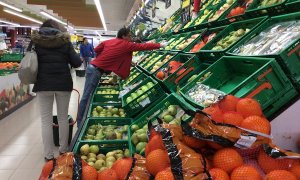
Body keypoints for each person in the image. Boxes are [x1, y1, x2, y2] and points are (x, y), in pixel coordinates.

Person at [76, 27, 168, 127]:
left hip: (93, 68)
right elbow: (142, 46)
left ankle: (81, 121)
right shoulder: (126, 44)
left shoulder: (109, 41)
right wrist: (160, 45)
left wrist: (107, 58)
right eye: (129, 36)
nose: (130, 38)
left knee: (87, 96)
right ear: (123, 36)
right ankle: (80, 123)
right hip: (95, 71)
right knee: (87, 96)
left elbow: (96, 50)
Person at [30, 19, 82, 161]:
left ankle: (48, 155)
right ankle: (63, 150)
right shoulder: (64, 41)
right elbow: (77, 62)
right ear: (57, 28)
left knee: (46, 120)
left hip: (43, 84)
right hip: (63, 84)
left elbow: (28, 61)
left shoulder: (35, 41)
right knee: (63, 117)